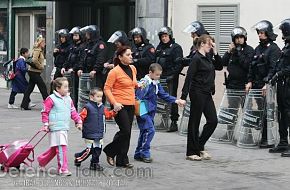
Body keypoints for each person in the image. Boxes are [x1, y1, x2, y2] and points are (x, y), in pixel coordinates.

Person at [180, 34, 223, 161]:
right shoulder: (196, 58)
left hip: (207, 92)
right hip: (197, 92)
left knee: (213, 120)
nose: (211, 46)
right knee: (195, 121)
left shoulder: (208, 57)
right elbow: (189, 78)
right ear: (202, 44)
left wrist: (215, 51)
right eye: (209, 44)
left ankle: (199, 146)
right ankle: (191, 151)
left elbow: (220, 66)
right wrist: (183, 96)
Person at [134, 63, 186, 163]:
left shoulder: (155, 83)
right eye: (157, 75)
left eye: (159, 75)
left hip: (150, 110)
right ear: (150, 73)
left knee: (144, 132)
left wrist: (176, 101)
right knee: (150, 130)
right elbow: (138, 97)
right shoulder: (144, 82)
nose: (159, 77)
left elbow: (163, 95)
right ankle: (145, 153)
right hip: (143, 111)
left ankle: (138, 153)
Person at [245, 20, 281, 148]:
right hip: (256, 85)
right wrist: (249, 81)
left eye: (261, 32)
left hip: (267, 86)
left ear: (268, 33)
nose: (259, 35)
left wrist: (267, 83)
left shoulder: (274, 49)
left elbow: (274, 68)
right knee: (260, 111)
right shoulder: (258, 48)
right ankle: (263, 136)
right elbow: (251, 66)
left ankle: (267, 138)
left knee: (267, 112)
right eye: (258, 33)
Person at [37, 77, 82, 176]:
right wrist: (45, 124)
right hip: (55, 127)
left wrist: (78, 121)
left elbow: (73, 111)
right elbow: (45, 112)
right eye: (65, 87)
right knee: (62, 147)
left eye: (67, 87)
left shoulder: (68, 98)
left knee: (55, 148)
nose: (67, 89)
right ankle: (63, 169)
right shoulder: (51, 99)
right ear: (58, 88)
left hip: (64, 127)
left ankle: (42, 160)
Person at [103, 46, 137, 168]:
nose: (131, 56)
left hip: (131, 103)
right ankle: (110, 151)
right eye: (128, 55)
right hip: (119, 104)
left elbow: (132, 84)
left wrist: (139, 85)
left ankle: (122, 160)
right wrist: (114, 103)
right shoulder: (114, 71)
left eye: (131, 54)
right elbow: (107, 88)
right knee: (125, 130)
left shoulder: (133, 68)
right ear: (120, 57)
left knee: (127, 133)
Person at [74, 88, 116, 171]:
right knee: (90, 149)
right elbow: (81, 117)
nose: (100, 98)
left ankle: (94, 164)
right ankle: (79, 158)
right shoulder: (88, 107)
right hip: (89, 133)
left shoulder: (102, 107)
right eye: (98, 96)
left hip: (99, 133)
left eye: (101, 96)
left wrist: (114, 111)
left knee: (97, 149)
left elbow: (107, 115)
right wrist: (79, 123)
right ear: (91, 97)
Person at [268, 18, 290, 155]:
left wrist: (279, 73)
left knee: (288, 113)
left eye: (283, 31)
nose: (281, 33)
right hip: (282, 85)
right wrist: (273, 74)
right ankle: (283, 142)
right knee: (281, 113)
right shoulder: (286, 46)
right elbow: (280, 63)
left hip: (288, 84)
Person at [155, 26, 183, 132]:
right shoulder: (159, 47)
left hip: (170, 78)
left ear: (170, 36)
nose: (164, 38)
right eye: (162, 36)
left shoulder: (176, 48)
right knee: (160, 99)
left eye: (166, 36)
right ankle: (163, 120)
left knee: (171, 99)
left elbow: (179, 64)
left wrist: (173, 75)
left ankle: (174, 122)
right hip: (160, 77)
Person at [20, 36, 49, 110]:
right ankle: (48, 105)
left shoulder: (37, 50)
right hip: (34, 72)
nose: (44, 44)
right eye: (43, 42)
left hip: (33, 72)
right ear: (40, 43)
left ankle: (24, 105)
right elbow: (35, 60)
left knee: (29, 89)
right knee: (43, 88)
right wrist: (40, 67)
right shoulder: (38, 50)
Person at [61, 26, 85, 108]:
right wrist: (64, 67)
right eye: (73, 35)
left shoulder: (82, 46)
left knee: (77, 89)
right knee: (71, 89)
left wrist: (74, 68)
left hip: (76, 72)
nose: (74, 37)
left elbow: (81, 60)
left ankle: (76, 106)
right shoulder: (72, 46)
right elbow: (68, 58)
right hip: (71, 71)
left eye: (76, 35)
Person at [78, 25, 107, 89]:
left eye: (88, 33)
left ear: (92, 34)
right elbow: (83, 57)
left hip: (96, 74)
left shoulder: (100, 44)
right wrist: (80, 68)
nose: (86, 35)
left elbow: (100, 59)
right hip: (87, 72)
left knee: (96, 92)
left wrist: (95, 70)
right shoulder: (87, 44)